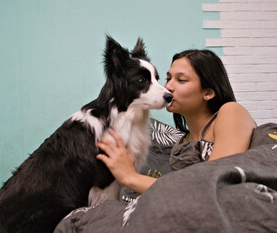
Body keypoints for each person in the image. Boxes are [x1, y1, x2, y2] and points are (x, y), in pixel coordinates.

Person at [96, 49, 256, 194]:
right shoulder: (181, 144)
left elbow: (216, 184)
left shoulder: (230, 111)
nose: (167, 87)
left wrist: (130, 177)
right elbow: (183, 193)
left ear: (208, 92)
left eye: (181, 80)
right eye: (167, 78)